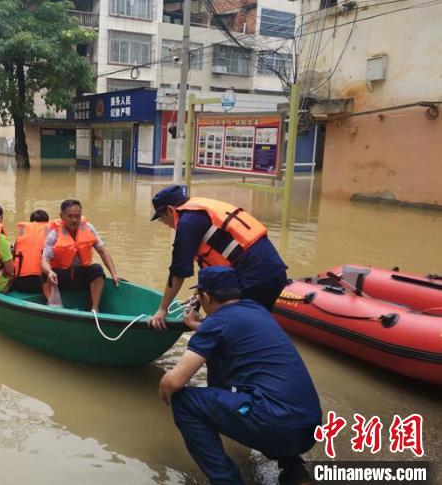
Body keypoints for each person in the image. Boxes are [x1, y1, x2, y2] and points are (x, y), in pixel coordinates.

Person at [159, 266, 321, 485]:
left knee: (184, 402)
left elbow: (174, 381)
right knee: (262, 392)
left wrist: (164, 389)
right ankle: (294, 470)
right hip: (309, 427)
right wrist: (199, 325)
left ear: (205, 297)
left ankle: (227, 480)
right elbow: (229, 329)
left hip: (276, 423)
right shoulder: (256, 309)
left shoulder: (216, 325)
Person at [148, 184, 287, 329]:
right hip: (275, 271)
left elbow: (177, 272)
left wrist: (162, 310)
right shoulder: (200, 210)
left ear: (170, 210)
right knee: (251, 325)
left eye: (162, 219)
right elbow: (214, 265)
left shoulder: (187, 223)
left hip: (255, 278)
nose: (166, 224)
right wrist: (196, 298)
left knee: (226, 329)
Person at [41, 200, 119, 311]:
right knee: (44, 275)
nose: (74, 220)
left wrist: (114, 273)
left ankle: (94, 308)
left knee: (97, 269)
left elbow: (103, 252)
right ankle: (54, 308)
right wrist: (49, 272)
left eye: (77, 216)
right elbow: (45, 260)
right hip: (61, 277)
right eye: (70, 216)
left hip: (81, 274)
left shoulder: (89, 228)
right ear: (61, 216)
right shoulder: (54, 234)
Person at [11, 210, 51, 293]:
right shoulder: (51, 237)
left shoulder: (20, 238)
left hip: (19, 284)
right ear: (46, 223)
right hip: (42, 285)